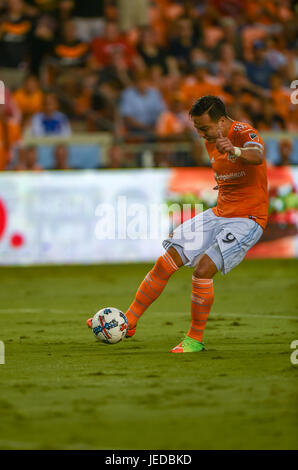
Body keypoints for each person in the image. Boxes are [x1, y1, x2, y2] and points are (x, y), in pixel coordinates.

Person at [87, 95, 269, 353]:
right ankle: (130, 320)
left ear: (221, 121)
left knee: (203, 269)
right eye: (196, 127)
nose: (199, 132)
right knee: (168, 259)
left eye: (203, 127)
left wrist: (236, 150)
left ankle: (194, 339)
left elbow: (258, 156)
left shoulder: (244, 132)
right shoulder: (210, 139)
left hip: (248, 218)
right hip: (220, 213)